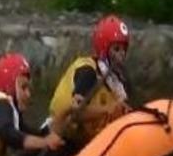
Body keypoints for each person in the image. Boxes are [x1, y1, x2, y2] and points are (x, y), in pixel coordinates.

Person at [48, 15, 133, 148]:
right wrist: (107, 110)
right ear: (104, 49)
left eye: (124, 50)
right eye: (116, 49)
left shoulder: (120, 83)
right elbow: (76, 113)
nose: (121, 55)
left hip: (89, 144)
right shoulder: (88, 72)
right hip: (61, 137)